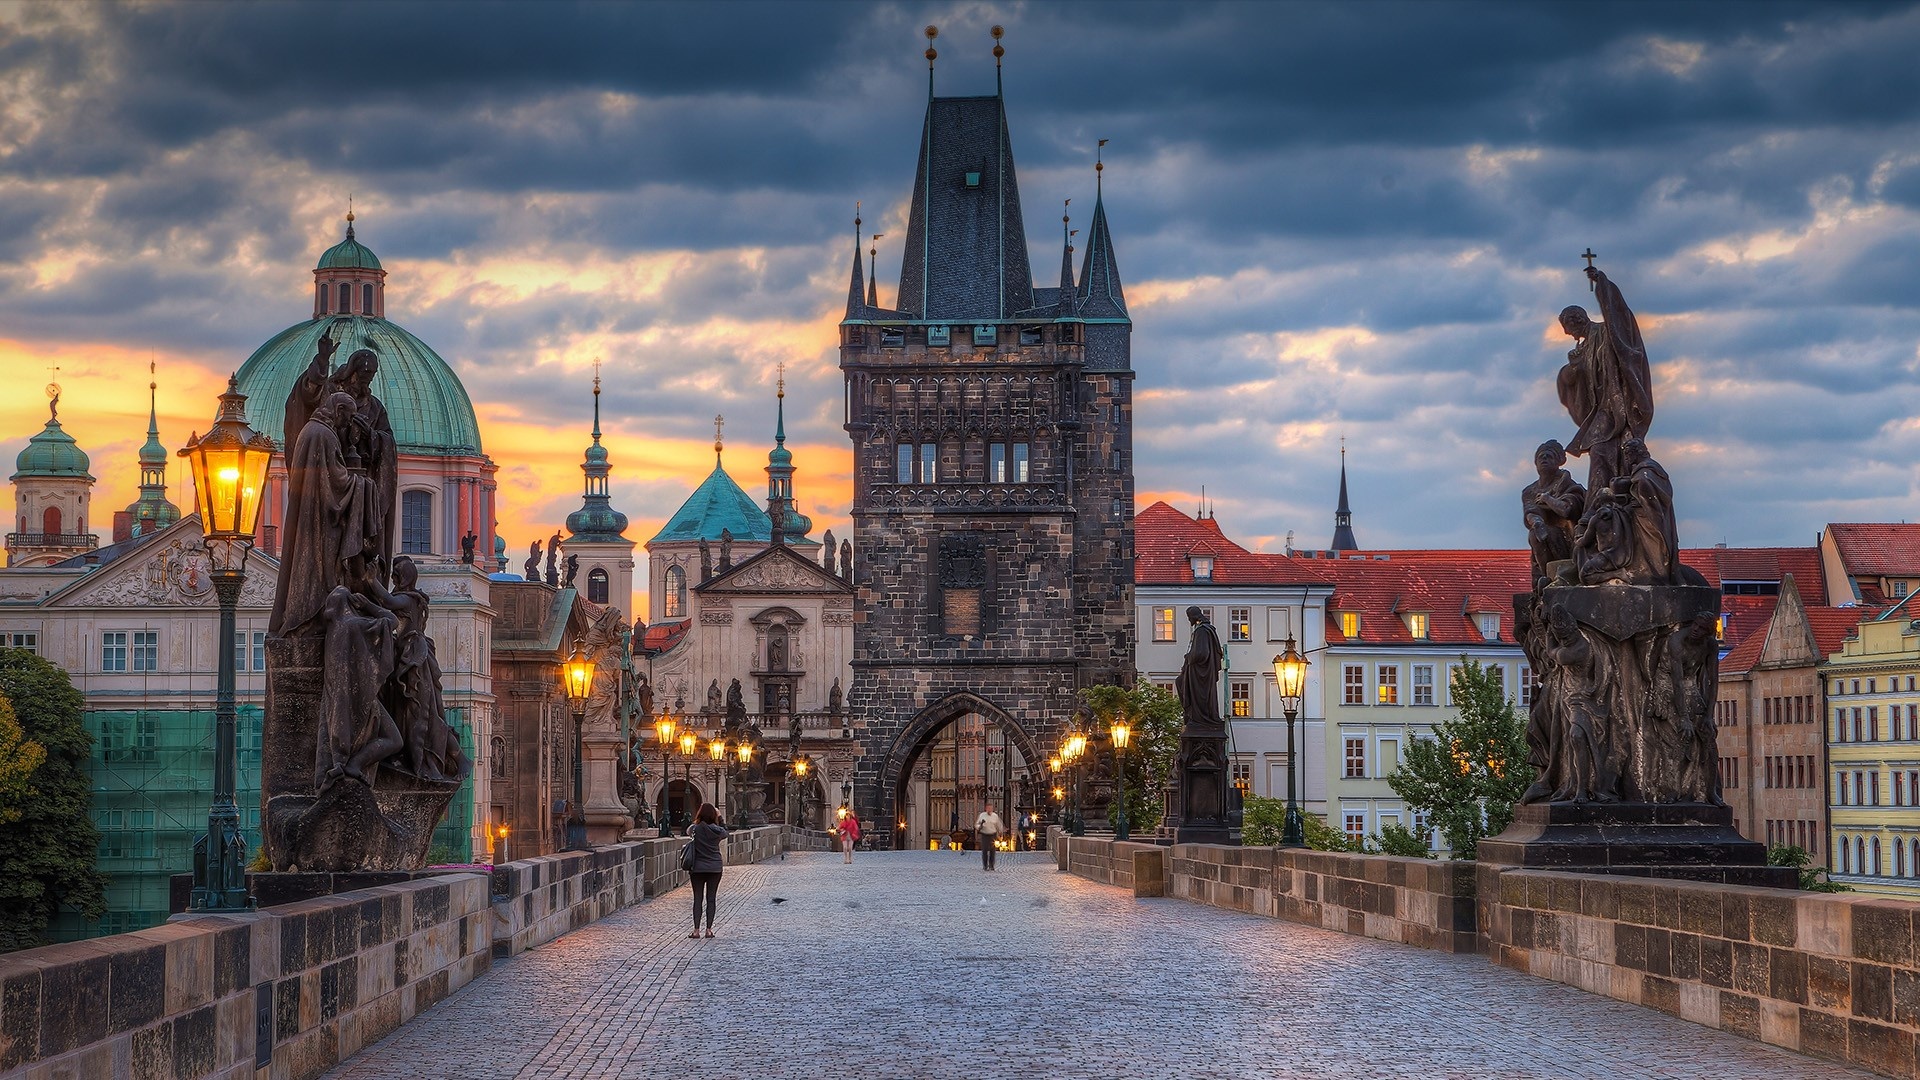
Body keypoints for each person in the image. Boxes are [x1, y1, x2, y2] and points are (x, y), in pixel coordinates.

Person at [687, 802, 728, 938]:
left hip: (697, 868)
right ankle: (709, 930)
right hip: (715, 868)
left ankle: (696, 930)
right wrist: (720, 817)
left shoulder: (694, 829)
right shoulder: (717, 830)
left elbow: (687, 831)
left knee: (697, 898)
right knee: (711, 898)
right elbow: (725, 832)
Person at [975, 804, 1005, 871]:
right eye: (988, 808)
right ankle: (985, 865)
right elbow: (977, 824)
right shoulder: (982, 815)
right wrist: (979, 827)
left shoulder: (995, 816)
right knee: (985, 850)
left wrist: (1001, 831)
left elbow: (999, 824)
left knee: (992, 850)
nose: (989, 810)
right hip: (985, 834)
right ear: (986, 809)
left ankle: (991, 865)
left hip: (992, 834)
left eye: (990, 808)